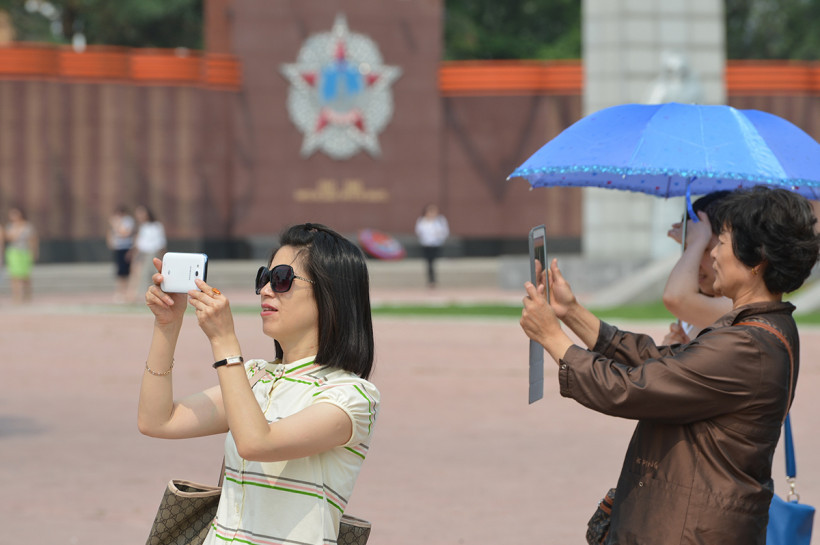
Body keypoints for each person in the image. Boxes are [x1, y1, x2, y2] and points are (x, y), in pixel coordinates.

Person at [520, 187, 820, 544]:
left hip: (692, 531)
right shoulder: (756, 330)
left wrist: (553, 338)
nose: (713, 255)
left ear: (757, 259)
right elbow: (664, 364)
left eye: (721, 243)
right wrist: (572, 313)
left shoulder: (748, 345)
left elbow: (633, 388)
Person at [138, 223, 379, 544]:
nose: (266, 290)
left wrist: (225, 342)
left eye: (281, 279)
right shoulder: (255, 375)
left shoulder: (352, 396)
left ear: (330, 293)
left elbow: (257, 443)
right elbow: (157, 421)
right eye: (264, 277)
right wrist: (167, 326)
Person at [661, 191, 733, 344]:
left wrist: (697, 240)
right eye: (686, 248)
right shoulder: (690, 319)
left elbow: (676, 298)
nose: (694, 262)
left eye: (704, 248)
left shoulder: (741, 308)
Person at [129, 204, 166, 303]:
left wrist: (162, 255)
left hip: (152, 253)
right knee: (139, 273)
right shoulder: (141, 227)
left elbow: (160, 242)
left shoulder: (156, 226)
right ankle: (137, 295)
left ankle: (152, 295)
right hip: (142, 253)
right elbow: (139, 243)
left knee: (150, 273)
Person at [3, 206, 39, 303]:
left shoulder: (27, 226)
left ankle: (27, 295)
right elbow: (8, 238)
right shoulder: (10, 226)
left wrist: (34, 252)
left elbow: (33, 240)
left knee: (25, 275)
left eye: (15, 214)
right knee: (14, 275)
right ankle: (16, 296)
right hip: (13, 252)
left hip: (25, 252)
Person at [415, 203, 449, 288]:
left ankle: (435, 280)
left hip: (437, 245)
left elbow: (445, 232)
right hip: (426, 245)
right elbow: (419, 232)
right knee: (429, 263)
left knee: (435, 262)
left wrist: (439, 237)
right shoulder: (422, 221)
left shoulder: (440, 220)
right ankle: (431, 280)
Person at [107, 205, 135, 303]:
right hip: (118, 248)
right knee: (119, 272)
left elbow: (124, 233)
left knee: (126, 272)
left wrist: (115, 224)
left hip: (126, 248)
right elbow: (111, 234)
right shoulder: (117, 222)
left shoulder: (128, 221)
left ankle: (126, 293)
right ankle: (120, 292)